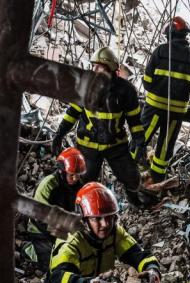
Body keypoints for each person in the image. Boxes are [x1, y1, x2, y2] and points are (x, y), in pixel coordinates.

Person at [51, 47, 147, 206]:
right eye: (93, 65)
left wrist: (139, 141)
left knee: (131, 176)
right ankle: (82, 208)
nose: (94, 69)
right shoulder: (85, 86)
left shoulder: (126, 90)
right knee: (84, 180)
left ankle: (135, 201)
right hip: (88, 147)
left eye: (99, 66)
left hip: (115, 145)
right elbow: (72, 113)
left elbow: (134, 120)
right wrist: (59, 134)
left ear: (109, 68)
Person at [139, 16, 190, 184]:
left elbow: (147, 83)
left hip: (154, 107)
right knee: (165, 146)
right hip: (176, 112)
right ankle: (157, 178)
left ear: (169, 33)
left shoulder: (160, 51)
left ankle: (128, 171)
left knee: (141, 138)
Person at [23, 147, 87, 268]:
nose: (76, 178)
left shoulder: (79, 186)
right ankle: (27, 248)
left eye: (78, 175)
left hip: (67, 228)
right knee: (52, 265)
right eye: (72, 175)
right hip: (41, 230)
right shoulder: (48, 185)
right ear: (62, 172)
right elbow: (39, 219)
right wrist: (62, 234)